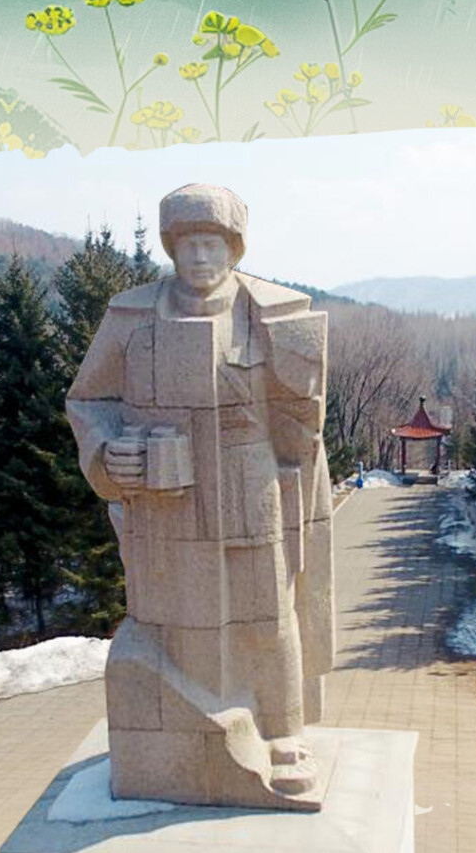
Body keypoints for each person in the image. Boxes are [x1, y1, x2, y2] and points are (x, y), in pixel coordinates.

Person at [66, 181, 336, 807]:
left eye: (213, 243)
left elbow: (304, 418)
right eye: (188, 244)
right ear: (171, 248)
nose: (200, 257)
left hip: (249, 480)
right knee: (174, 615)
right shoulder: (131, 316)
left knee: (267, 612)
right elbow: (88, 400)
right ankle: (190, 729)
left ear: (235, 248)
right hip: (165, 492)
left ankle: (282, 732)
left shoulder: (272, 311)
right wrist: (108, 451)